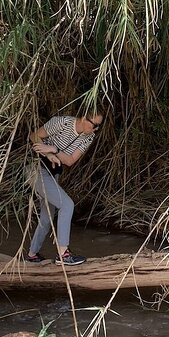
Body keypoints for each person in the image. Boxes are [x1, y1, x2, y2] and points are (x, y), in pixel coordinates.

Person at [24, 111, 103, 266]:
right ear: (83, 117)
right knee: (67, 205)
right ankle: (63, 254)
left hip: (53, 174)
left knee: (47, 217)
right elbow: (34, 136)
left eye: (98, 126)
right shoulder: (62, 122)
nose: (95, 129)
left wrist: (54, 150)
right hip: (36, 169)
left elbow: (70, 160)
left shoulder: (89, 137)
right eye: (93, 125)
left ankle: (32, 255)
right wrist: (47, 155)